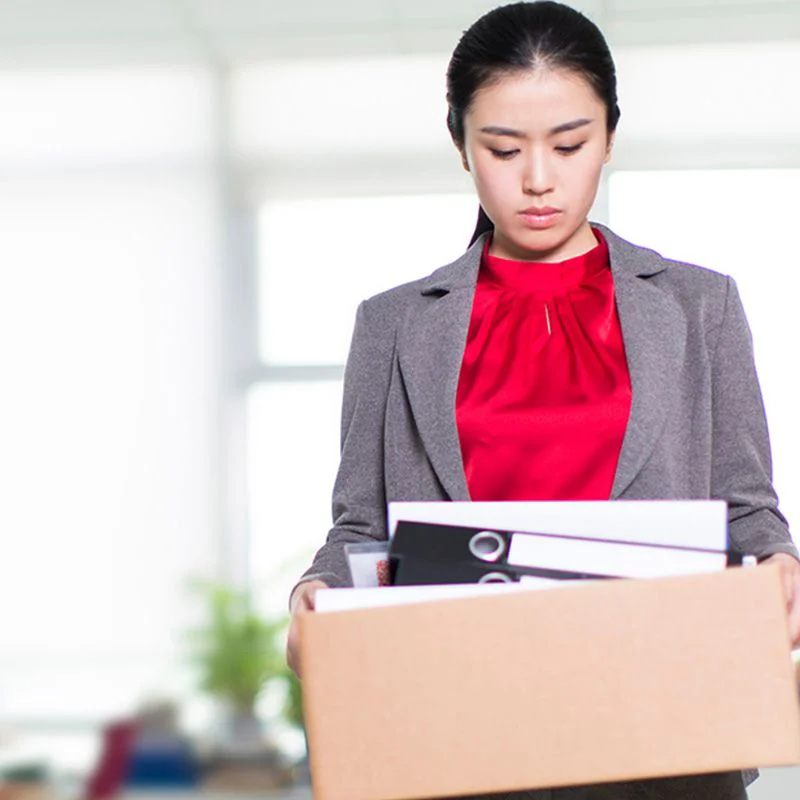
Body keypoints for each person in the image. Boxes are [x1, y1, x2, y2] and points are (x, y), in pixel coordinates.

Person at [286, 2, 800, 797]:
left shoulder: (702, 308)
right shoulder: (392, 325)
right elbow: (360, 524)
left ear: (610, 137)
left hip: (665, 731)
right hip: (456, 733)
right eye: (502, 147)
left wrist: (780, 565)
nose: (537, 178)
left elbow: (749, 510)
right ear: (459, 144)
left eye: (570, 144)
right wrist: (313, 596)